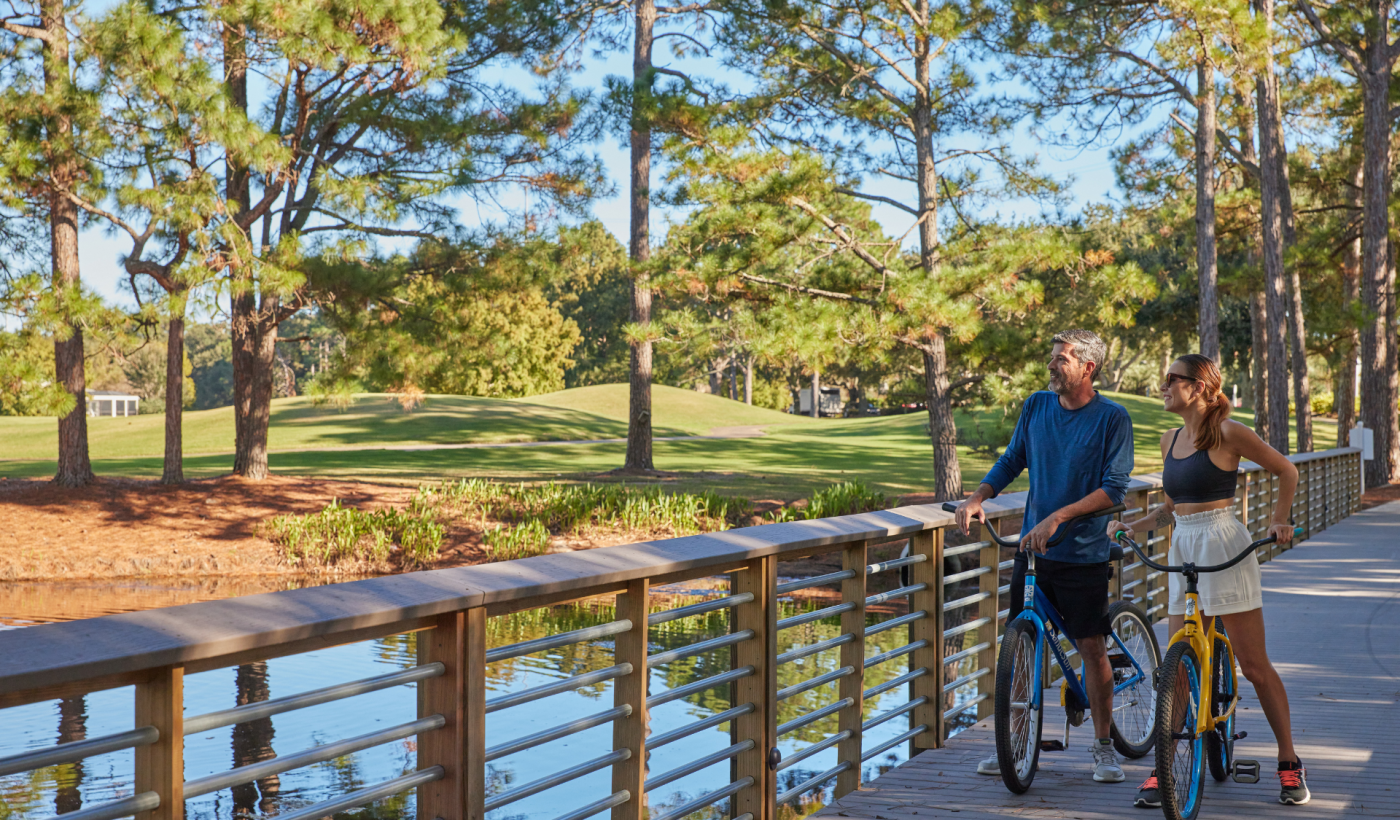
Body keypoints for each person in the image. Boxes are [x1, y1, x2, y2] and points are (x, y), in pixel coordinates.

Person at [1107, 354, 1309, 807]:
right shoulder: (1169, 439)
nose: (1163, 385)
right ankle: (1166, 767)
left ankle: (1289, 761)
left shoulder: (1229, 432)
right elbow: (1173, 507)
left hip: (1224, 543)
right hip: (1184, 546)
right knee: (1177, 666)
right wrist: (1133, 527)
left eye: (1171, 379)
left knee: (1253, 665)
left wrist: (1279, 521)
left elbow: (1287, 471)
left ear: (1197, 387)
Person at [956, 329, 1134, 784]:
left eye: (1061, 359)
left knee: (1092, 648)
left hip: (1082, 552)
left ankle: (1103, 747)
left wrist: (1058, 518)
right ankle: (1015, 743)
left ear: (1087, 368)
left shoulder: (1113, 418)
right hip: (1033, 552)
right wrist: (979, 496)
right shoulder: (1037, 405)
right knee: (1021, 647)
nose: (1052, 365)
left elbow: (1114, 489)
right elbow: (1013, 458)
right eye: (1052, 357)